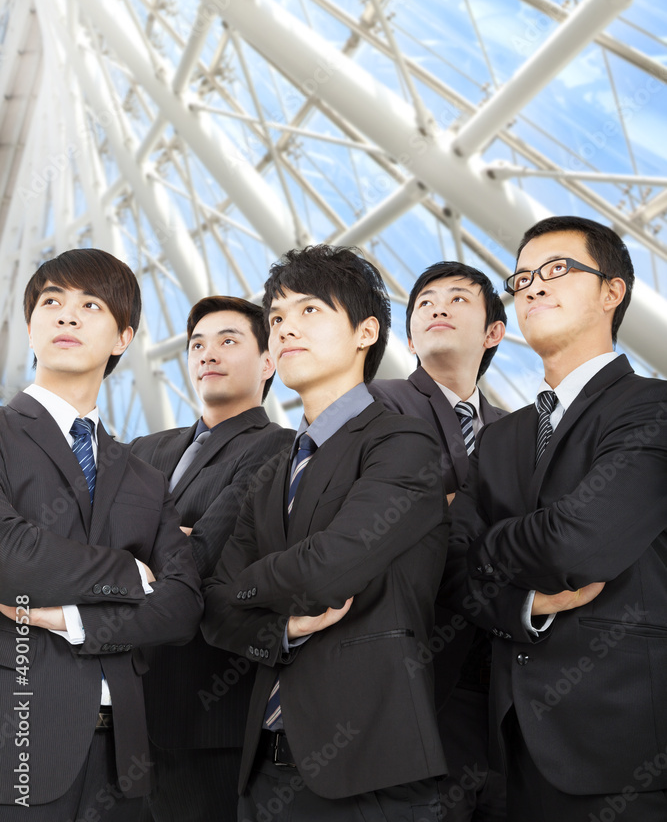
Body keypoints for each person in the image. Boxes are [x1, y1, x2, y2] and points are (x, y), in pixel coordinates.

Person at [202, 245, 448, 821]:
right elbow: (212, 609)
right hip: (262, 775)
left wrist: (244, 586)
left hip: (371, 774)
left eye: (309, 310)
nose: (285, 329)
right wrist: (280, 627)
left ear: (366, 332)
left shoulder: (403, 444)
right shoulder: (272, 472)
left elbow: (327, 569)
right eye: (277, 318)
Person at [443, 215, 667, 821]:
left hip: (628, 749)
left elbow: (579, 542)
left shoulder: (653, 407)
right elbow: (453, 573)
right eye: (522, 278)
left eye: (557, 269)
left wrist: (485, 545)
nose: (533, 286)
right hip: (510, 753)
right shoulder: (498, 439)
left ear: (613, 291)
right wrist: (527, 602)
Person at [0, 248, 202, 820]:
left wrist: (73, 619)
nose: (67, 315)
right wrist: (129, 573)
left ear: (123, 338)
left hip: (123, 760)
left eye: (91, 305)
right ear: (31, 326)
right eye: (51, 302)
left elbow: (184, 604)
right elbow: (8, 556)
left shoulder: (142, 475)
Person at [131, 296, 294, 822]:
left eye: (228, 341)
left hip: (205, 714)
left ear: (268, 362)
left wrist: (135, 544)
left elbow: (202, 557)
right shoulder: (144, 449)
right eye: (197, 344)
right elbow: (86, 539)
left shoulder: (280, 446)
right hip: (122, 710)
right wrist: (169, 537)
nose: (208, 353)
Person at [370, 261, 507, 821]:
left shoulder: (519, 428)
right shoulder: (375, 403)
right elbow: (377, 514)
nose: (437, 308)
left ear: (494, 332)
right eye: (424, 302)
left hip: (503, 674)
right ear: (409, 339)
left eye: (457, 299)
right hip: (417, 663)